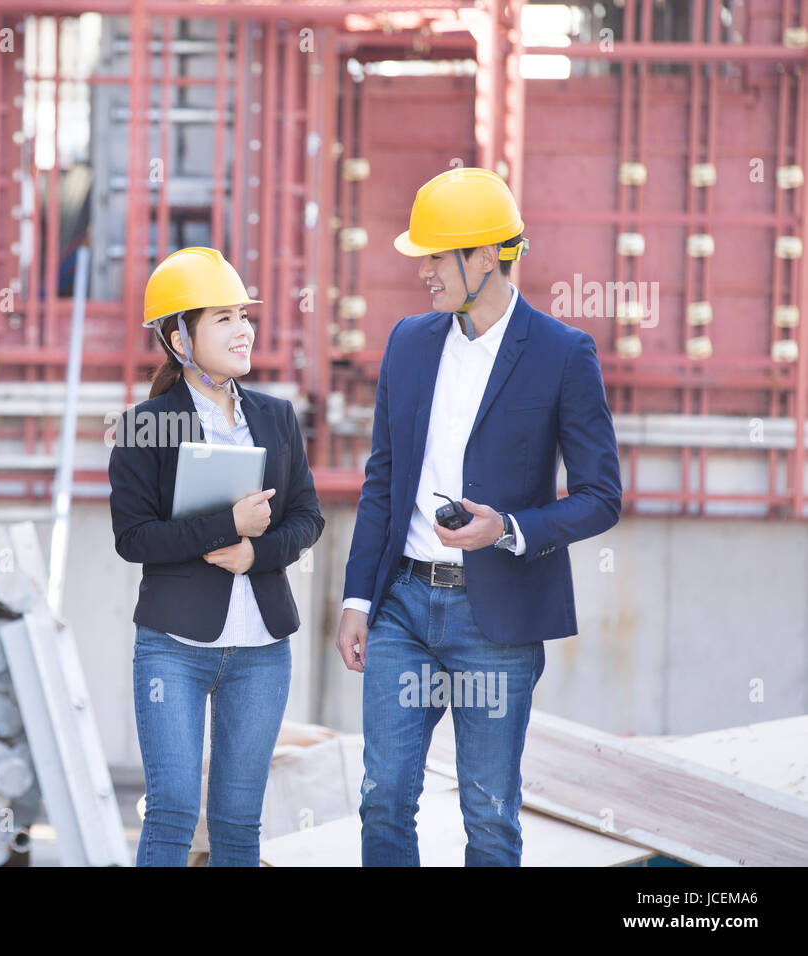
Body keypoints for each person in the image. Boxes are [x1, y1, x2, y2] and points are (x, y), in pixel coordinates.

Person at [335, 168, 621, 866]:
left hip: (497, 621)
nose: (424, 272)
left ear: (486, 256)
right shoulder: (408, 341)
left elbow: (601, 495)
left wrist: (510, 529)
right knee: (383, 797)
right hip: (401, 605)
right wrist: (356, 597)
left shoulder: (562, 354)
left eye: (437, 256)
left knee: (489, 816)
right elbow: (383, 479)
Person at [108, 246, 325, 866]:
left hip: (262, 650)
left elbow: (309, 518)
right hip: (173, 647)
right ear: (179, 337)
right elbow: (134, 538)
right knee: (173, 810)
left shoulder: (277, 418)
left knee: (236, 823)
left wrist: (254, 551)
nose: (243, 330)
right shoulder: (143, 426)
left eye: (243, 315)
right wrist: (221, 526)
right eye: (223, 318)